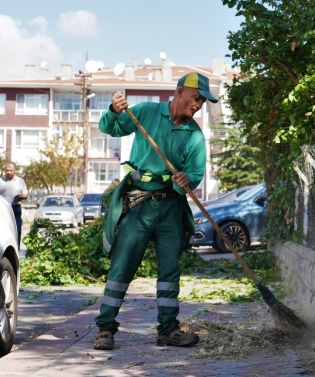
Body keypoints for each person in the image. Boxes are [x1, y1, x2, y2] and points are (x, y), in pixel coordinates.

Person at [93, 72, 218, 350]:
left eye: (202, 102)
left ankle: (168, 329)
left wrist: (188, 180)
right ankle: (105, 329)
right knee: (123, 264)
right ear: (180, 92)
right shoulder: (146, 112)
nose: (198, 105)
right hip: (138, 204)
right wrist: (114, 110)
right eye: (196, 98)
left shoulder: (194, 134)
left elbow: (196, 172)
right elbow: (111, 128)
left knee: (170, 270)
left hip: (171, 206)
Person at [0, 162, 28, 248]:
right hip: (3, 210)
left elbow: (26, 195)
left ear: (15, 170)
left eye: (11, 170)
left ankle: (17, 249)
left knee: (17, 230)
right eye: (7, 170)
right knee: (4, 230)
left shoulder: (20, 181)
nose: (9, 172)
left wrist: (20, 196)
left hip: (16, 208)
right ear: (4, 171)